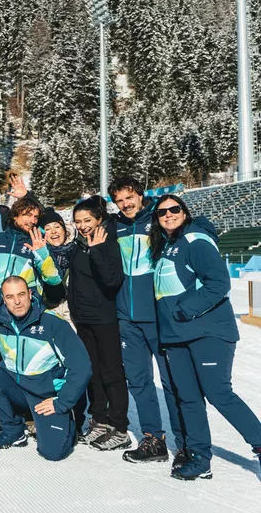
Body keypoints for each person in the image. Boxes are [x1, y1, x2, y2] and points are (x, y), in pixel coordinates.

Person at [150, 195, 261, 480]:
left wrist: (185, 310)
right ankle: (201, 459)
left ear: (184, 212)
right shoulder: (167, 246)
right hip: (176, 337)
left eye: (174, 209)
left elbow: (219, 283)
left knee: (218, 393)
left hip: (207, 331)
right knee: (188, 399)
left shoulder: (194, 240)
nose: (169, 214)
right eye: (162, 212)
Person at [0, 275, 91, 461]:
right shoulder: (1, 322)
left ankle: (69, 423)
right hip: (18, 389)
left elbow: (82, 367)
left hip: (46, 396)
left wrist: (61, 402)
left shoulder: (52, 323)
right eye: (10, 297)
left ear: (30, 294)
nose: (17, 301)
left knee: (53, 453)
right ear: (4, 300)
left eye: (21, 294)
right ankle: (13, 430)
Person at [108, 177, 183, 465]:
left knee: (172, 382)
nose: (125, 204)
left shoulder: (159, 219)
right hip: (126, 317)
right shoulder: (114, 226)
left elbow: (192, 227)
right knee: (139, 380)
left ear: (141, 195)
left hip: (158, 317)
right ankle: (154, 439)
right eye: (119, 200)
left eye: (129, 197)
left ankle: (185, 442)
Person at [68, 197, 129, 451]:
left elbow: (112, 280)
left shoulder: (108, 243)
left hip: (104, 319)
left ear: (99, 220)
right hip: (83, 319)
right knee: (93, 372)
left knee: (111, 372)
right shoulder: (77, 246)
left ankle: (120, 427)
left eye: (88, 220)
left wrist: (98, 250)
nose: (83, 226)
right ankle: (100, 421)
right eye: (78, 221)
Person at [0, 196, 61, 308]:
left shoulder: (39, 242)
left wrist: (42, 254)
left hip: (28, 309)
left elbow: (55, 280)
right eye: (28, 215)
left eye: (36, 217)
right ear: (15, 215)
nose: (33, 221)